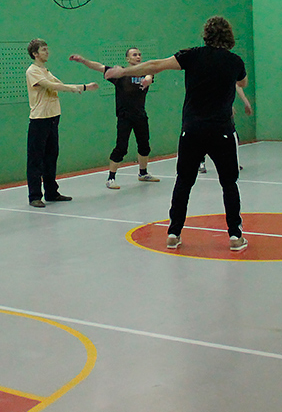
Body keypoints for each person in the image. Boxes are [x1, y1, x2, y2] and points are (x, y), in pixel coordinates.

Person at [105, 16, 249, 251]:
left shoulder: (191, 55)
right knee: (229, 183)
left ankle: (173, 233)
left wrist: (124, 72)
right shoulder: (235, 61)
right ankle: (235, 236)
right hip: (222, 132)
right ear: (229, 36)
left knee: (183, 182)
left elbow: (155, 65)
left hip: (192, 130)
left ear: (206, 35)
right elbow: (242, 83)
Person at [68, 48, 160, 189]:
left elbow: (149, 76)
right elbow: (99, 66)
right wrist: (83, 60)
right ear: (128, 59)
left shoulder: (145, 72)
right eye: (134, 55)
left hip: (140, 116)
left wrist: (147, 80)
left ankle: (143, 173)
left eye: (139, 55)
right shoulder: (119, 74)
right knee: (121, 148)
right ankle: (111, 178)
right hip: (124, 117)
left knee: (144, 146)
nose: (138, 57)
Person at [25, 39, 98, 208]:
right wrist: (82, 87)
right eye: (43, 50)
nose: (47, 52)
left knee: (51, 157)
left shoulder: (45, 70)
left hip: (53, 118)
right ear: (35, 54)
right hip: (39, 120)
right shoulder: (32, 71)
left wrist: (76, 87)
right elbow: (51, 86)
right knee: (36, 159)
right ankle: (35, 196)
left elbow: (58, 84)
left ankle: (51, 192)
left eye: (47, 49)